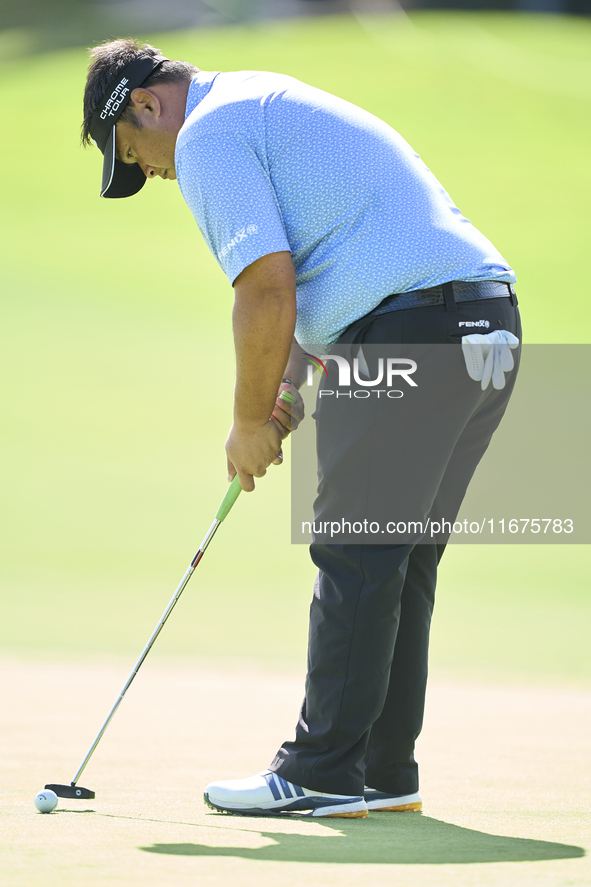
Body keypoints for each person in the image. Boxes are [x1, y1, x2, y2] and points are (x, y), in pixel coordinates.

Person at [81, 38, 521, 819]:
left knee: (355, 549)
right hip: (481, 327)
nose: (153, 171)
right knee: (395, 557)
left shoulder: (208, 135)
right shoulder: (256, 99)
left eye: (134, 153)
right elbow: (322, 274)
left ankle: (318, 770)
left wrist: (249, 421)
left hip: (412, 326)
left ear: (146, 106)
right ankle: (382, 772)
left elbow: (265, 289)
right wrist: (285, 389)